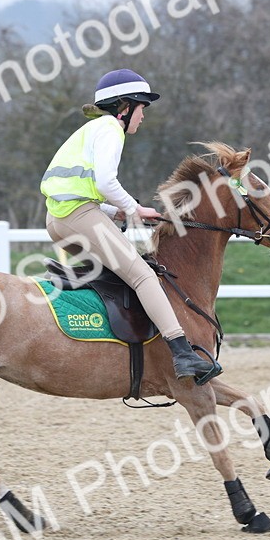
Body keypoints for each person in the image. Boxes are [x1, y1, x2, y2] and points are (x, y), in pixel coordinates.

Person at [39, 69, 221, 384]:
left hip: (57, 220)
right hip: (78, 216)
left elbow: (86, 185)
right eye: (142, 108)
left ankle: (79, 276)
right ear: (125, 106)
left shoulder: (92, 129)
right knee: (142, 276)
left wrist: (114, 211)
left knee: (119, 268)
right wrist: (132, 207)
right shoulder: (111, 129)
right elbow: (106, 181)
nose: (143, 117)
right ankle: (182, 352)